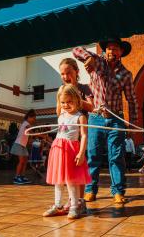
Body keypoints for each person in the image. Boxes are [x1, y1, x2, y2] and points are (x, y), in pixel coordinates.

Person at [73, 37, 138, 204]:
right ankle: (90, 190)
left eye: (116, 48)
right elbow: (76, 50)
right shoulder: (97, 63)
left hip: (116, 119)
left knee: (116, 156)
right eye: (109, 48)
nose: (112, 51)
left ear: (121, 52)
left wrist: (132, 124)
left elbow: (132, 100)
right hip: (95, 117)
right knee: (93, 155)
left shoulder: (126, 74)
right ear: (105, 51)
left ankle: (118, 191)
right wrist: (88, 58)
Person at [43, 84, 91, 219]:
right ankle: (57, 205)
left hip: (71, 150)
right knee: (58, 181)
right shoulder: (61, 115)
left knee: (71, 180)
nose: (66, 105)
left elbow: (84, 136)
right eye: (63, 102)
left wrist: (81, 153)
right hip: (58, 149)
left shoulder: (80, 117)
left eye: (69, 101)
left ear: (77, 99)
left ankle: (74, 206)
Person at [58, 58, 94, 212]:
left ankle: (80, 201)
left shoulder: (84, 88)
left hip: (79, 133)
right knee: (68, 170)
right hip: (67, 134)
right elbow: (59, 112)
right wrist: (64, 99)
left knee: (78, 169)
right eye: (62, 74)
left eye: (69, 72)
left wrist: (75, 97)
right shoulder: (62, 90)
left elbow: (92, 106)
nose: (65, 76)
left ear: (76, 72)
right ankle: (73, 200)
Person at [10, 110, 37, 185]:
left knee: (25, 161)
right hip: (19, 144)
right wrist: (42, 135)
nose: (34, 120)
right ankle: (17, 177)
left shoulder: (27, 124)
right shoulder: (26, 123)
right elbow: (31, 132)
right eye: (33, 118)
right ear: (29, 117)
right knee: (21, 161)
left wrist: (31, 141)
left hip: (23, 145)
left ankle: (22, 176)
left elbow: (28, 136)